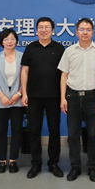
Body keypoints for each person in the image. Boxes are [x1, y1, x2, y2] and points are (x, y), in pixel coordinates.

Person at [58, 18, 95, 182]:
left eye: (88, 29)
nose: (85, 32)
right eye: (82, 29)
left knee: (93, 134)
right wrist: (63, 98)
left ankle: (92, 167)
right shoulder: (69, 51)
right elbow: (64, 75)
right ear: (76, 32)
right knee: (72, 135)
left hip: (93, 97)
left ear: (93, 32)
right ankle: (75, 166)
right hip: (72, 97)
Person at [21, 17, 65, 179]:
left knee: (54, 130)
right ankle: (36, 163)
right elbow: (24, 71)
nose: (44, 30)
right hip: (34, 96)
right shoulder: (30, 48)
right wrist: (24, 93)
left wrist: (63, 97)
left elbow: (64, 74)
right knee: (34, 130)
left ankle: (53, 163)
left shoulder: (59, 48)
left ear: (53, 30)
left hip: (54, 96)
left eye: (47, 27)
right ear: (36, 30)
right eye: (40, 27)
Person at [0, 29, 25, 174]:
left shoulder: (23, 57)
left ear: (16, 40)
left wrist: (19, 94)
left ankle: (13, 160)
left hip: (18, 99)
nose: (9, 42)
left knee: (17, 130)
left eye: (12, 39)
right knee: (1, 130)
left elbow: (27, 78)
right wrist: (2, 96)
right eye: (6, 39)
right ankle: (2, 160)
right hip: (0, 100)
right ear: (1, 42)